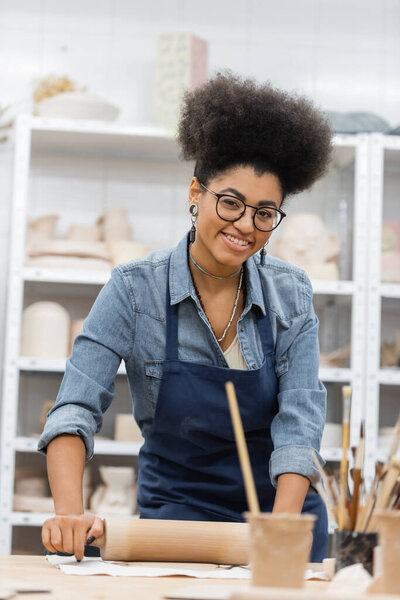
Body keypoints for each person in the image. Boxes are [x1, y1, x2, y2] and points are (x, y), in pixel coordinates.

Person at [39, 72, 332, 563]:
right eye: (231, 202)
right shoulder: (135, 289)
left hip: (278, 513)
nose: (245, 225)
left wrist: (278, 528)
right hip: (178, 517)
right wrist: (70, 512)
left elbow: (300, 421)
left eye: (265, 213)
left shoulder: (291, 293)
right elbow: (75, 406)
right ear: (196, 192)